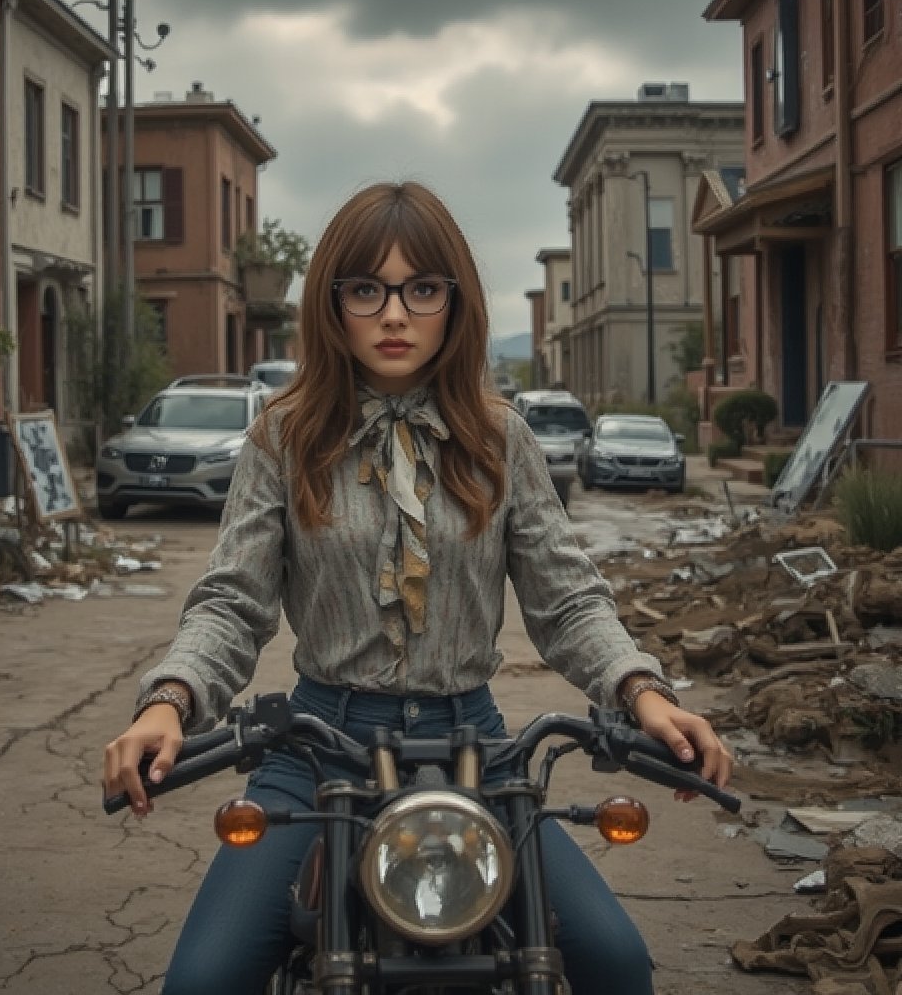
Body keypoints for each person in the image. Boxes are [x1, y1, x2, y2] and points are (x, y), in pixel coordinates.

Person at [103, 180, 733, 995]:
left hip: (476, 746)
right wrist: (170, 702)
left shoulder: (501, 438)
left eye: (420, 289)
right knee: (203, 979)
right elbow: (233, 598)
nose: (394, 314)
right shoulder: (283, 437)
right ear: (333, 304)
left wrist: (645, 694)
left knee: (615, 961)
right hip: (317, 744)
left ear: (454, 301)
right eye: (366, 289)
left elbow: (567, 598)